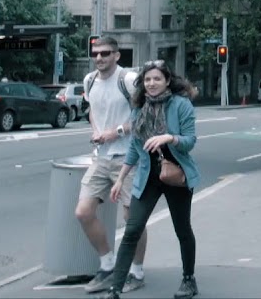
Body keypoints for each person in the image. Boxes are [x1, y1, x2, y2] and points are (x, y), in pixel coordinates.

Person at [101, 60, 200, 299]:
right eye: (147, 80)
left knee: (182, 229)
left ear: (167, 81)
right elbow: (134, 148)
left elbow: (190, 141)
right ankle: (115, 289)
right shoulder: (139, 108)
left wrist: (169, 138)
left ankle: (189, 280)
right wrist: (120, 179)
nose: (152, 83)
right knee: (132, 229)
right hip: (148, 176)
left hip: (176, 174)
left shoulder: (181, 105)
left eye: (157, 79)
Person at [75, 37, 147, 294]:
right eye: (95, 53)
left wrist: (115, 132)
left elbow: (144, 116)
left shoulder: (128, 80)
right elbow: (93, 110)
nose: (99, 58)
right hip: (101, 157)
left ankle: (136, 272)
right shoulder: (90, 80)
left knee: (132, 219)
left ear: (117, 55)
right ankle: (108, 265)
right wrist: (96, 130)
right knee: (83, 212)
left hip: (129, 158)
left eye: (105, 53)